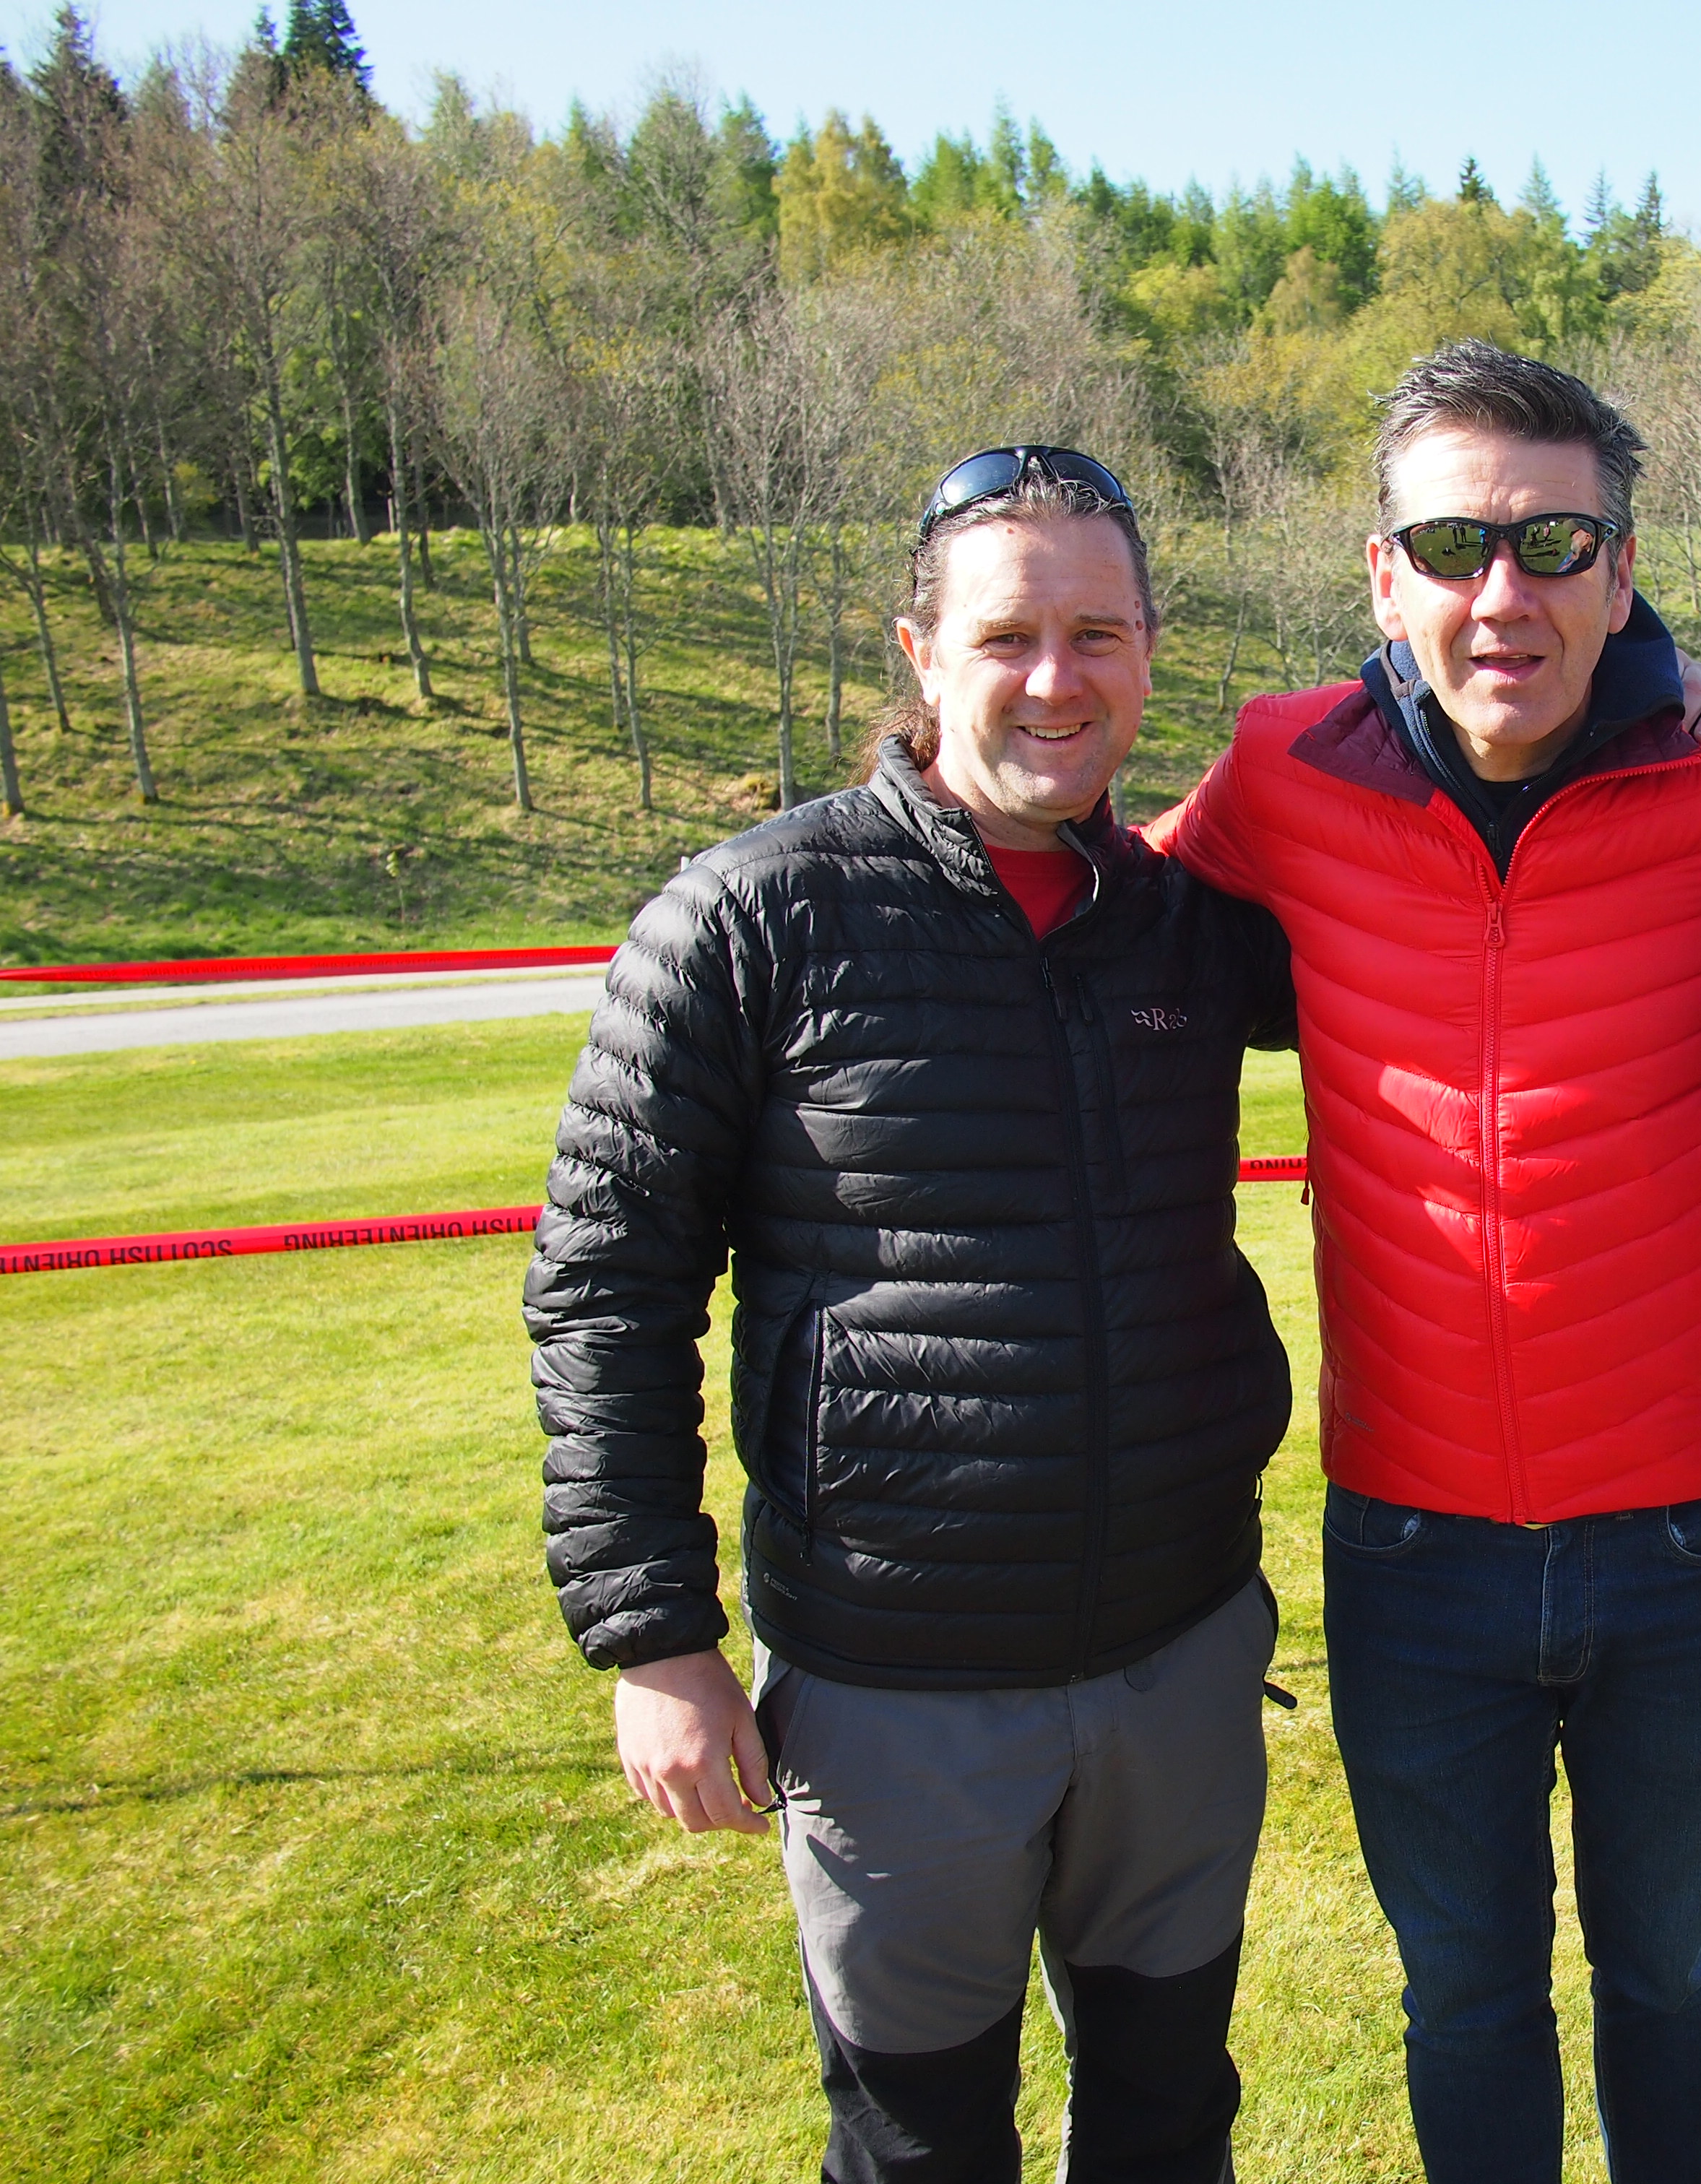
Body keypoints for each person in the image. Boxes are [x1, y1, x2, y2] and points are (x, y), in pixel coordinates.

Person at [525, 447, 1297, 2184]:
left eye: (1098, 635)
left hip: (1179, 1663)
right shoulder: (750, 915)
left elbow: (1450, 837)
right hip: (897, 1693)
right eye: (1008, 635)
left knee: (1171, 2122)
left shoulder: (1189, 931)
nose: (1055, 679)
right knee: (919, 2148)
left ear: (1151, 652)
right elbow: (606, 1289)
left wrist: (1638, 675)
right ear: (920, 652)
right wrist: (653, 1638)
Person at [1148, 340, 1701, 2182]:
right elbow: (1096, 931)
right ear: (1382, 574)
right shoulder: (1280, 770)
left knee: (1668, 1963)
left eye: (1555, 544)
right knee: (1462, 1989)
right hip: (1414, 1543)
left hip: (1691, 1538)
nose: (1503, 594)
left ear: (1624, 573)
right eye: (1455, 544)